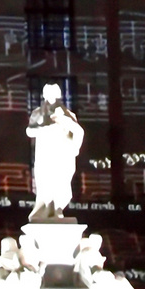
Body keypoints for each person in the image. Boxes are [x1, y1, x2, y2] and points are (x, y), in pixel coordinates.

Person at [26, 83, 84, 222]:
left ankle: (57, 209)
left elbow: (78, 131)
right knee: (45, 182)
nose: (51, 98)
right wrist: (46, 128)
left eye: (54, 94)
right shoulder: (38, 113)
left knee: (61, 182)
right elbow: (29, 131)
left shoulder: (67, 115)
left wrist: (73, 146)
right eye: (48, 94)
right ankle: (45, 210)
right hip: (45, 155)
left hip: (62, 155)